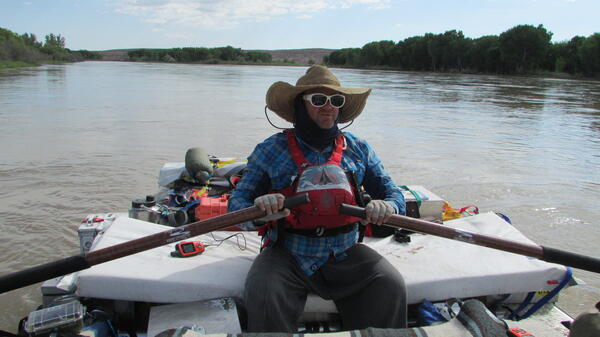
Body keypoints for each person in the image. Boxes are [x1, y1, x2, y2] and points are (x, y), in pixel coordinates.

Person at [228, 65, 407, 332]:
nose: (328, 108)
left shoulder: (359, 149)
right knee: (264, 291)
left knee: (389, 283)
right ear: (301, 106)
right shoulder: (269, 150)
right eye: (319, 100)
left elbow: (395, 196)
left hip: (345, 252)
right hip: (287, 254)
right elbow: (237, 203)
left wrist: (387, 205)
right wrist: (259, 210)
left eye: (336, 101)